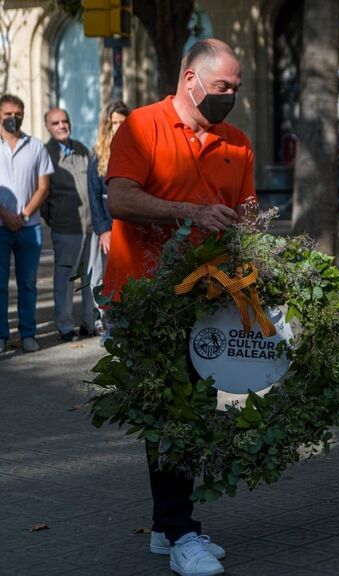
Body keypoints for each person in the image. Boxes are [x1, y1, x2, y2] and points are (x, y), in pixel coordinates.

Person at [105, 39, 255, 576]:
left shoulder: (237, 143)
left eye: (236, 88)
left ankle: (170, 527)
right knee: (169, 414)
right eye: (222, 87)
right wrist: (190, 213)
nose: (230, 97)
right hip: (145, 298)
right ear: (190, 79)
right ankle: (180, 529)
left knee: (192, 412)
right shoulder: (141, 126)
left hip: (208, 300)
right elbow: (119, 199)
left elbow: (246, 218)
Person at [0, 94, 53, 354]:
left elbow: (43, 186)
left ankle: (28, 334)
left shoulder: (36, 146)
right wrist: (5, 215)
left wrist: (23, 214)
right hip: (0, 227)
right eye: (8, 114)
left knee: (28, 283)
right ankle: (1, 336)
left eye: (18, 113)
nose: (13, 118)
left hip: (29, 226)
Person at [43, 107, 96, 341]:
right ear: (48, 127)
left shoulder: (82, 150)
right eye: (56, 123)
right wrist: (54, 219)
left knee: (91, 279)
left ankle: (89, 323)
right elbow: (42, 195)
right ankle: (65, 326)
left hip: (90, 228)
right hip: (66, 229)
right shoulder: (45, 155)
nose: (62, 126)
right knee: (65, 280)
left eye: (65, 121)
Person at [86, 100, 131, 335]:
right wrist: (103, 229)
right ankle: (105, 320)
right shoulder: (98, 154)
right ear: (107, 125)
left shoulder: (137, 150)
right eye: (114, 123)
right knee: (105, 275)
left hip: (131, 224)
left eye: (123, 122)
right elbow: (94, 196)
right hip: (108, 226)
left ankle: (128, 318)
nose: (118, 126)